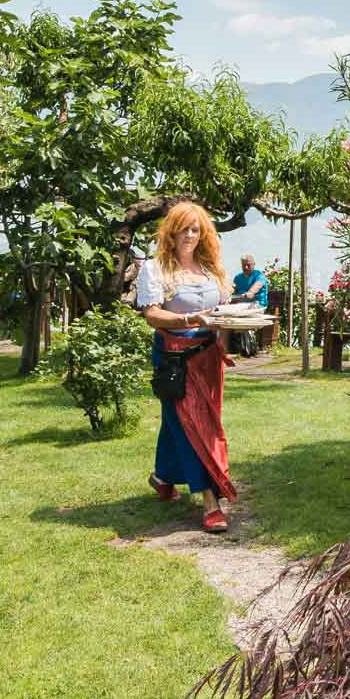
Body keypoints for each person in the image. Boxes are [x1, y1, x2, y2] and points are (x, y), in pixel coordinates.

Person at [133, 201, 238, 533]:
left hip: (208, 358)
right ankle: (210, 501)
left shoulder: (210, 269)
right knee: (192, 427)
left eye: (196, 229)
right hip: (174, 358)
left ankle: (163, 477)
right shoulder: (155, 269)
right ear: (171, 232)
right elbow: (152, 314)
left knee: (179, 424)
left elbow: (221, 314)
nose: (190, 235)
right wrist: (188, 318)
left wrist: (224, 341)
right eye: (183, 229)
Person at [226, 255, 272, 357]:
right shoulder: (238, 278)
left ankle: (248, 343)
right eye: (244, 265)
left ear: (253, 265)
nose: (246, 267)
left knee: (242, 313)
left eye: (248, 265)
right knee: (229, 313)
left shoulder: (259, 276)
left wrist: (250, 293)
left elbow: (256, 286)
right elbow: (232, 290)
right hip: (241, 306)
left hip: (257, 305)